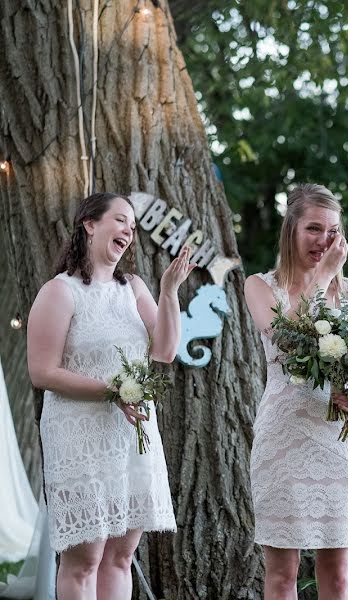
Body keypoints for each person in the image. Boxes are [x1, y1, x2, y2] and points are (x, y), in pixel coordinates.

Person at [26, 192, 194, 600]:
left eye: (133, 227)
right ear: (89, 224)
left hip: (130, 437)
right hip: (79, 436)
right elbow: (42, 372)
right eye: (120, 221)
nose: (128, 231)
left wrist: (169, 291)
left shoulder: (132, 287)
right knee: (84, 561)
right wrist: (112, 392)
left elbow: (165, 351)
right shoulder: (59, 291)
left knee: (121, 556)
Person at [244, 184, 348, 600]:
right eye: (314, 229)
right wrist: (320, 279)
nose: (325, 240)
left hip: (340, 444)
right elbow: (287, 340)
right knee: (282, 574)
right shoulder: (261, 287)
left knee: (336, 576)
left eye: (333, 231)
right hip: (283, 438)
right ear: (291, 230)